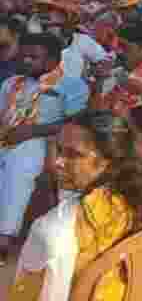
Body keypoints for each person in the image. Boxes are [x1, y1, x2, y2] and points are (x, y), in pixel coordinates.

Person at [11, 110, 142, 301]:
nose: (57, 162)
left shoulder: (53, 230)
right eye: (59, 150)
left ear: (108, 161)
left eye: (73, 154)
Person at [0, 33, 90, 258]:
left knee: (19, 166)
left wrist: (33, 131)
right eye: (24, 56)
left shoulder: (71, 85)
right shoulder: (12, 82)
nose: (26, 61)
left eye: (33, 57)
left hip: (44, 140)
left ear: (53, 60)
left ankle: (4, 235)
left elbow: (75, 122)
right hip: (7, 135)